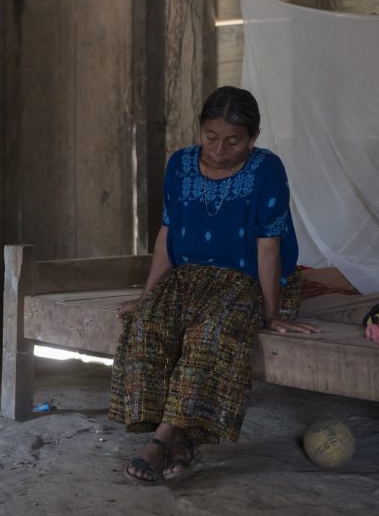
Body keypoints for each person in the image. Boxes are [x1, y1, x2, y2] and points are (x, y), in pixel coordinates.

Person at [109, 86, 320, 484]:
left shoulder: (266, 169)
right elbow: (167, 236)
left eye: (233, 140)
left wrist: (271, 312)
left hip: (250, 281)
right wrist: (146, 296)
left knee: (212, 336)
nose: (219, 149)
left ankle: (162, 438)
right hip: (188, 278)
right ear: (201, 130)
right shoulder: (180, 164)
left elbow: (268, 246)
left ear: (253, 138)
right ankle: (183, 443)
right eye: (211, 137)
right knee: (145, 325)